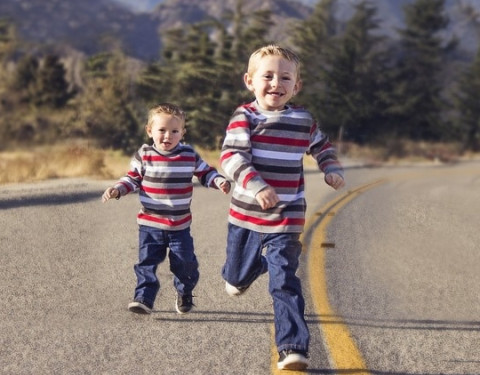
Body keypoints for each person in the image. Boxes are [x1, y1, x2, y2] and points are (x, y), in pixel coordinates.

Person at [220, 45, 345, 370]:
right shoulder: (244, 117)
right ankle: (247, 270)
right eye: (268, 76)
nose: (276, 83)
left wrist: (331, 167)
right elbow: (231, 158)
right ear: (250, 80)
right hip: (246, 216)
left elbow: (322, 146)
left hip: (286, 219)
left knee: (285, 280)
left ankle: (293, 348)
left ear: (296, 85)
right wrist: (256, 185)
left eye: (285, 77)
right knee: (234, 281)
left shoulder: (302, 120)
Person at [102, 103, 231, 315]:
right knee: (146, 263)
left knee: (185, 264)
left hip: (179, 226)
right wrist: (117, 190)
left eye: (174, 131)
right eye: (161, 130)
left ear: (182, 133)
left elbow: (206, 173)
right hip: (150, 224)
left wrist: (218, 181)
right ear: (149, 130)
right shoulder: (144, 155)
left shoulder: (188, 155)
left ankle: (185, 290)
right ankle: (143, 298)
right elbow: (132, 178)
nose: (167, 136)